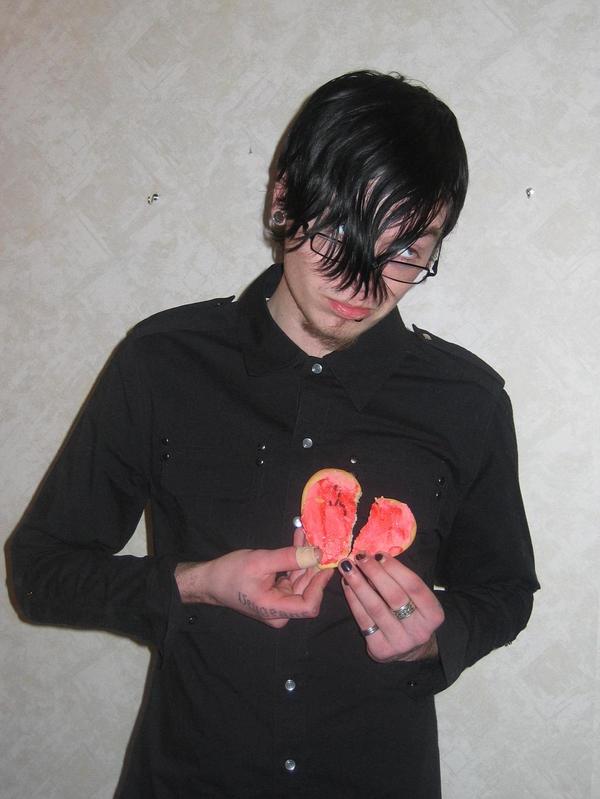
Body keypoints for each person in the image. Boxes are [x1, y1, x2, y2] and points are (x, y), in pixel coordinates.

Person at [10, 70, 539, 799]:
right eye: (340, 232)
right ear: (282, 197)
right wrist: (192, 585)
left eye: (405, 251)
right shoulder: (163, 362)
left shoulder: (468, 401)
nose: (363, 283)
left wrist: (435, 640)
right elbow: (38, 572)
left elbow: (505, 590)